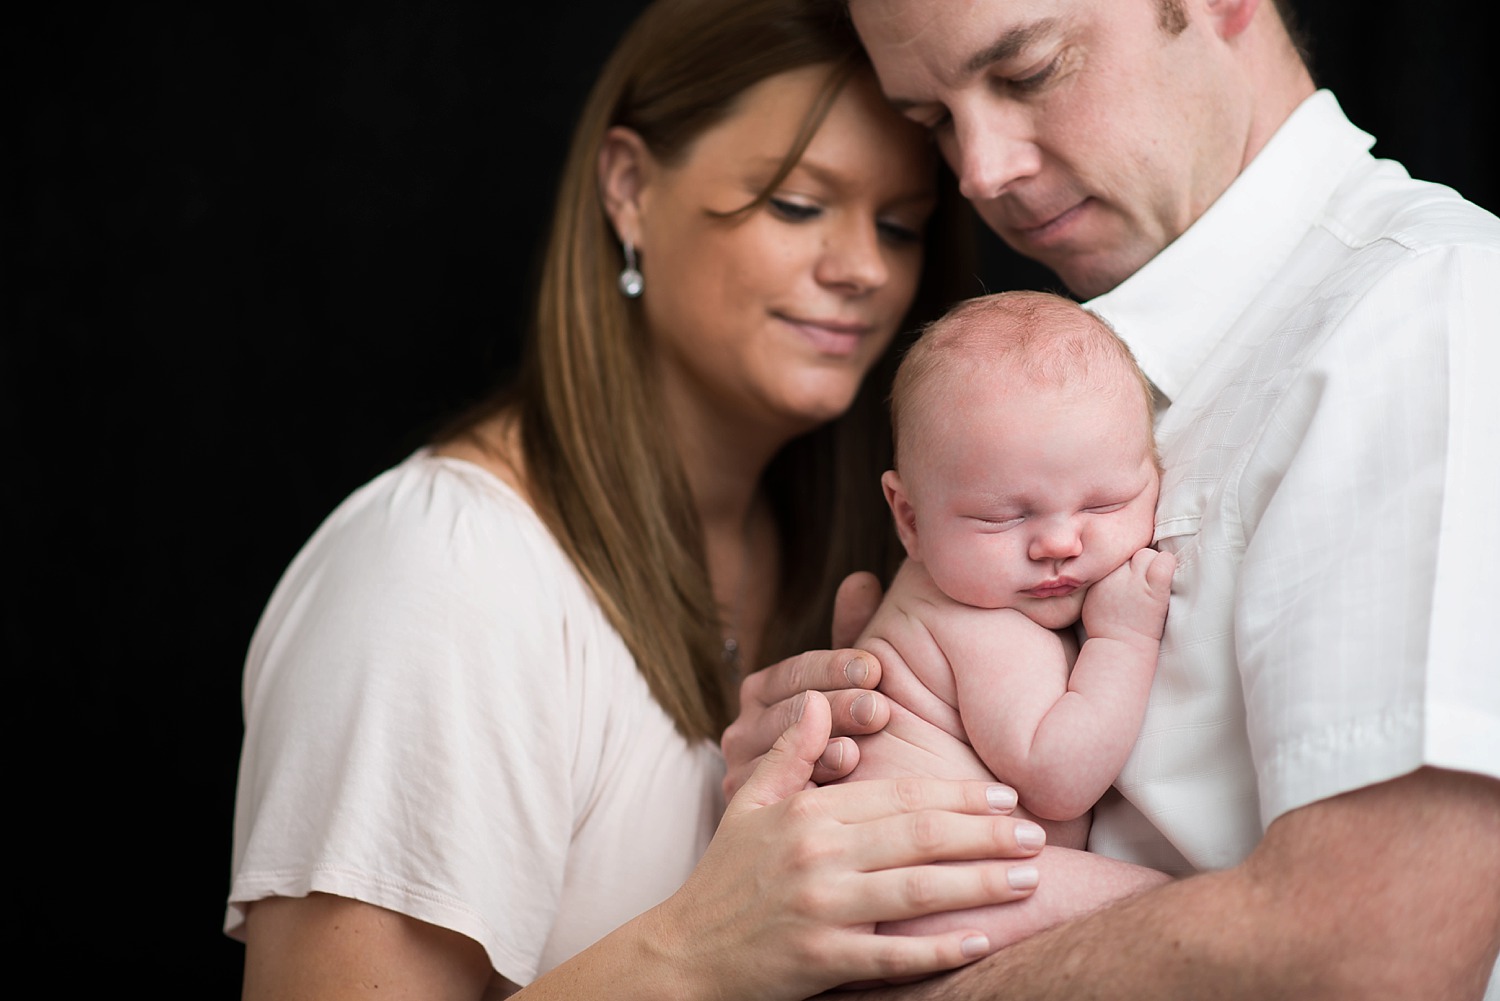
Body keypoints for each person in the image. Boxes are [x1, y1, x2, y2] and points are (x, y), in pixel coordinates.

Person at [225, 1, 1058, 997]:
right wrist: (696, 947)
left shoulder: (863, 560)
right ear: (627, 187)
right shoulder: (445, 572)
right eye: (796, 204)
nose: (865, 269)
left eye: (900, 226)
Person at [723, 0, 1500, 996]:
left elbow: (1374, 945)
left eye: (1031, 71)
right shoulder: (1066, 366)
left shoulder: (1422, 318)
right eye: (934, 122)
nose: (978, 172)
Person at [839, 289, 1178, 951]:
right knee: (1176, 903)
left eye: (1106, 503)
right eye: (1002, 517)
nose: (1059, 542)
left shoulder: (968, 585)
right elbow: (1057, 776)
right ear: (909, 517)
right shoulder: (979, 622)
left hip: (916, 882)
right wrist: (1123, 637)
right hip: (925, 888)